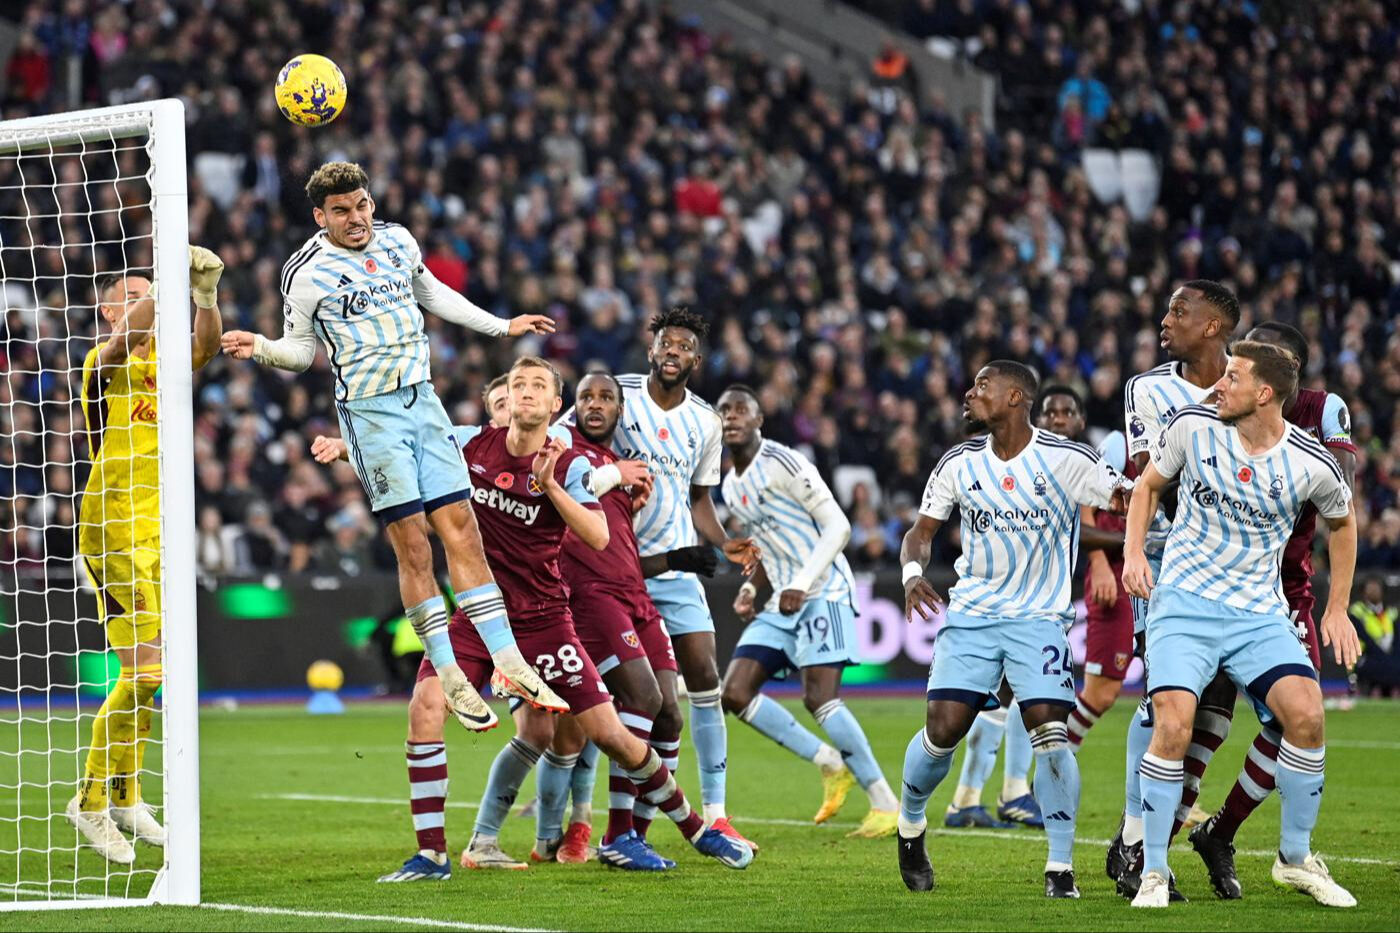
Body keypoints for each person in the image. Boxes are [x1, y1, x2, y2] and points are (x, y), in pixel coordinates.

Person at [315, 357, 752, 881]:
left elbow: (598, 534)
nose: (524, 392)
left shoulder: (566, 463)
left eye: (537, 386)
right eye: (517, 383)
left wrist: (552, 488)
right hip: (478, 616)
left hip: (545, 622)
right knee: (425, 706)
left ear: (552, 406)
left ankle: (696, 830)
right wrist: (346, 448)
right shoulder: (473, 442)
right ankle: (432, 855)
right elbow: (404, 442)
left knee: (609, 733)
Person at [221, 161, 564, 733]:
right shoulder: (305, 273)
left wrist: (502, 327)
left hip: (424, 402)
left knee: (463, 529)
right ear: (319, 217)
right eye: (340, 211)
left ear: (371, 203)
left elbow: (434, 294)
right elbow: (301, 352)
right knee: (414, 547)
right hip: (371, 416)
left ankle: (506, 662)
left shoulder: (399, 241)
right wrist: (260, 346)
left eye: (361, 206)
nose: (355, 219)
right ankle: (450, 673)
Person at [1122, 341, 1360, 908]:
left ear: (1265, 393)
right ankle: (1153, 871)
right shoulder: (1193, 427)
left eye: (1232, 377)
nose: (1217, 386)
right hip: (1184, 605)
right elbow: (1149, 486)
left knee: (1305, 716)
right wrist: (1134, 553)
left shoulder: (1309, 460)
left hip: (1258, 613)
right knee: (1174, 726)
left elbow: (1343, 522)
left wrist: (1336, 606)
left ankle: (1295, 859)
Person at [896, 361, 1129, 899]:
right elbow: (920, 532)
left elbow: (1127, 497)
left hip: (1040, 619)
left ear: (1016, 396)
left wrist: (1152, 520)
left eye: (983, 386)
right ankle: (910, 826)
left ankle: (1060, 867)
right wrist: (912, 574)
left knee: (1049, 730)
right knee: (942, 731)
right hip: (975, 615)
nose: (970, 392)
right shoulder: (957, 462)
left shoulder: (1067, 458)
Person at [1187, 321, 1358, 898]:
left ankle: (1227, 834)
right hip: (1203, 579)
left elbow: (1344, 491)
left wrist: (1338, 606)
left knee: (1295, 718)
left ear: (1288, 373)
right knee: (1183, 718)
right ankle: (1136, 846)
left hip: (1285, 588)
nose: (1249, 363)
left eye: (1266, 357)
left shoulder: (1321, 409)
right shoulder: (1219, 401)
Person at [69, 246, 226, 863]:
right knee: (144, 671)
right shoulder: (100, 363)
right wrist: (165, 281)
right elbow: (125, 340)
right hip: (113, 528)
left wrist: (206, 295)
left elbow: (205, 348)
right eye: (132, 297)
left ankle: (126, 793)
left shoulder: (165, 362)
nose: (147, 306)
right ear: (109, 311)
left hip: (160, 528)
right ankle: (89, 802)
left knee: (153, 679)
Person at [592, 308, 761, 849]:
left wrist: (723, 541)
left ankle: (715, 812)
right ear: (651, 350)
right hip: (615, 563)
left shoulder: (706, 421)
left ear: (696, 358)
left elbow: (699, 499)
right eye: (666, 343)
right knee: (624, 704)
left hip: (676, 563)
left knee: (704, 679)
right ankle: (579, 821)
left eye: (684, 346)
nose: (673, 352)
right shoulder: (617, 395)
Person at [716, 384, 899, 839]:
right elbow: (769, 545)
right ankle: (830, 763)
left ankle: (886, 803)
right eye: (724, 411)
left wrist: (800, 582)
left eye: (742, 410)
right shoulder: (732, 484)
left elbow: (839, 524)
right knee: (734, 694)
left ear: (759, 420)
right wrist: (752, 587)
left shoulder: (784, 463)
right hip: (782, 597)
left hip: (823, 590)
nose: (732, 416)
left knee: (820, 697)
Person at [943, 385, 1125, 830]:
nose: (1059, 418)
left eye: (1068, 412)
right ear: (1036, 416)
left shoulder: (1073, 463)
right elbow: (1079, 530)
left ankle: (981, 797)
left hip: (1037, 600)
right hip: (1015, 604)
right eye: (1051, 411)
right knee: (1012, 697)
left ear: (1081, 422)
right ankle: (1001, 794)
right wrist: (1122, 548)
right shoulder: (1037, 464)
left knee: (1007, 699)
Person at [1111, 280, 1236, 897]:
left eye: (1180, 312)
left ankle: (1156, 833)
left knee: (1215, 709)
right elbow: (1148, 473)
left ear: (1213, 326)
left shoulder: (1248, 380)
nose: (1166, 320)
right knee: (1166, 701)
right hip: (1166, 561)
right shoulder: (1148, 388)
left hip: (1241, 572)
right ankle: (1137, 842)